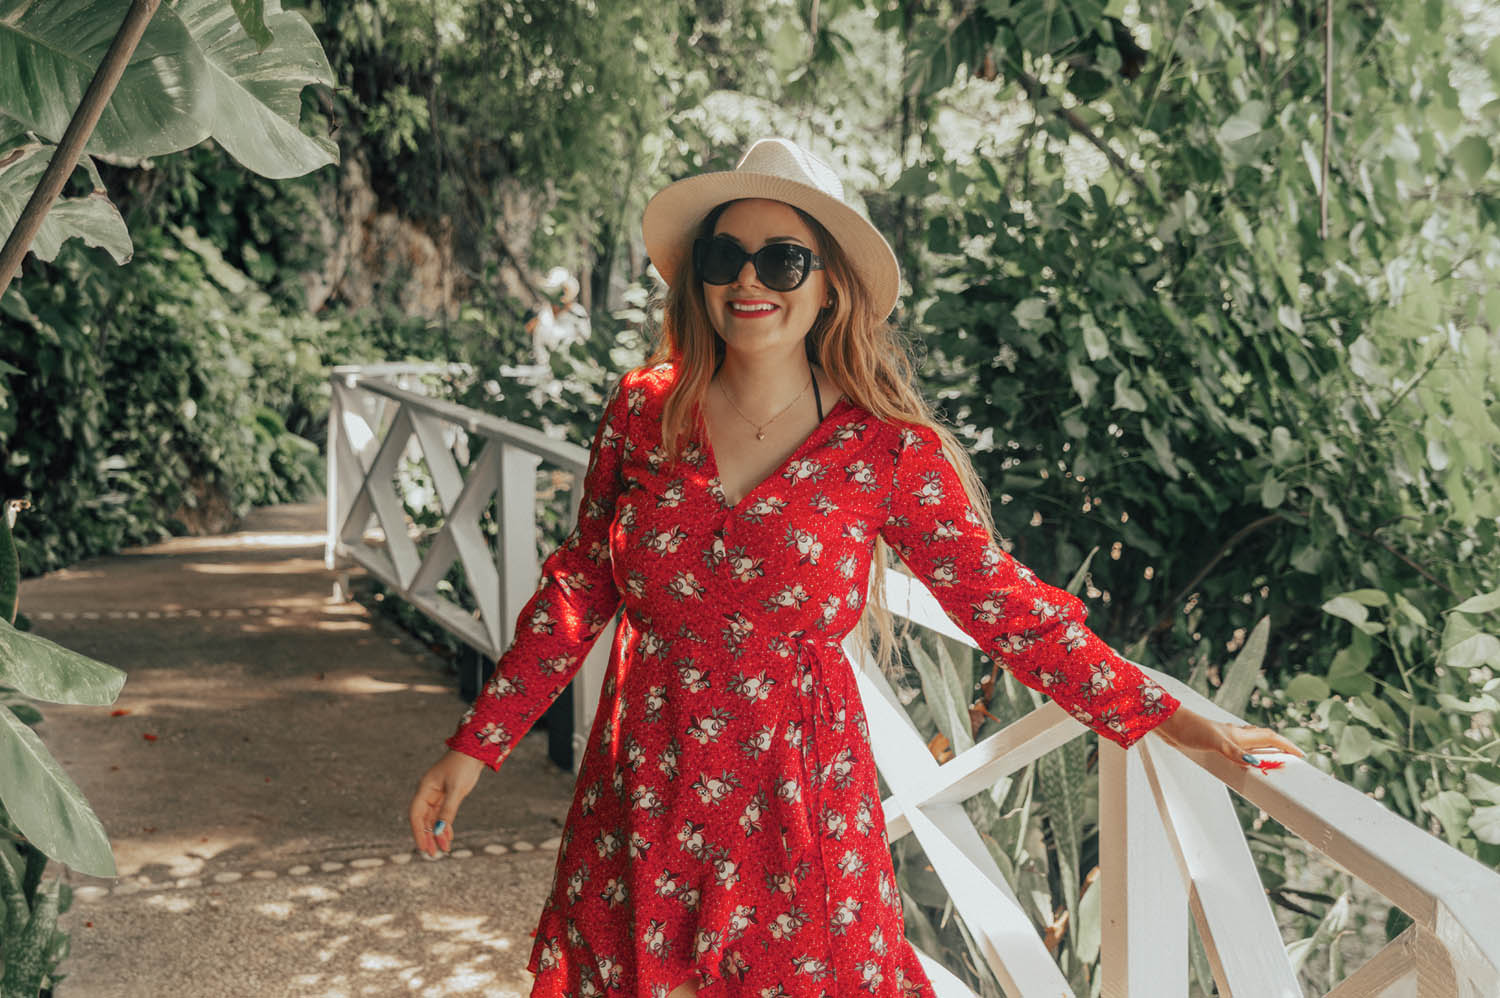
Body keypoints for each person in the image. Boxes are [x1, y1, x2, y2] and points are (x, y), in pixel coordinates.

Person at [409, 138, 1304, 998]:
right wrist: (476, 745)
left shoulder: (886, 451)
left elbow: (1004, 607)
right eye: (725, 257)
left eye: (783, 260)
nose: (750, 280)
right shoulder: (646, 412)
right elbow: (581, 586)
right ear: (699, 278)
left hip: (798, 804)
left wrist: (1170, 717)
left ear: (830, 281)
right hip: (643, 781)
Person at [526, 266, 592, 367]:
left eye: (563, 291)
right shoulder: (544, 313)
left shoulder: (577, 313)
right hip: (542, 367)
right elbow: (530, 332)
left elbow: (585, 340)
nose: (560, 296)